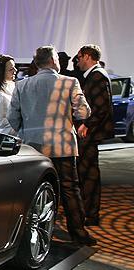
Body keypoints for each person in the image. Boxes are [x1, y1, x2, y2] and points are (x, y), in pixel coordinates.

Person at [7, 45, 95, 246]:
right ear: (54, 60)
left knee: (34, 190)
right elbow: (84, 112)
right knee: (69, 188)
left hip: (33, 147)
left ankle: (31, 232)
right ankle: (78, 232)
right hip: (62, 146)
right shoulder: (70, 82)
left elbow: (12, 117)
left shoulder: (22, 85)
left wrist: (27, 130)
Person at [74, 44, 113, 226]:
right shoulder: (95, 75)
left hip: (89, 133)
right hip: (90, 133)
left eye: (79, 57)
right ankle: (88, 212)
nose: (77, 61)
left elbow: (101, 107)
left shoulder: (97, 76)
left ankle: (90, 214)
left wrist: (86, 124)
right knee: (87, 172)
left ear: (88, 57)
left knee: (88, 173)